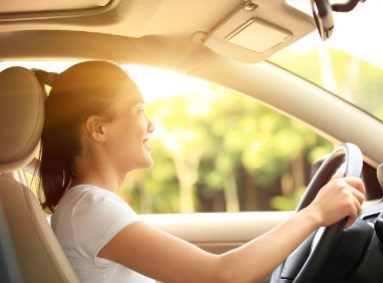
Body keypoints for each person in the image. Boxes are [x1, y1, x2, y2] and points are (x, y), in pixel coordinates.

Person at [37, 61, 365, 283]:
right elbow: (221, 275)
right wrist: (315, 214)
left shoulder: (86, 207)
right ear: (98, 128)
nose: (151, 125)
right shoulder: (90, 209)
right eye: (139, 111)